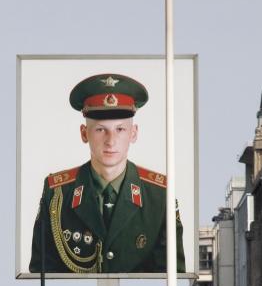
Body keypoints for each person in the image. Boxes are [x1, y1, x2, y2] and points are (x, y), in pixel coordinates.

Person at [29, 73, 185, 274]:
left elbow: (173, 279)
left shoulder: (159, 194)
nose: (111, 141)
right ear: (84, 134)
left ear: (133, 133)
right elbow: (41, 276)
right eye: (100, 130)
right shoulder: (57, 193)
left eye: (120, 129)